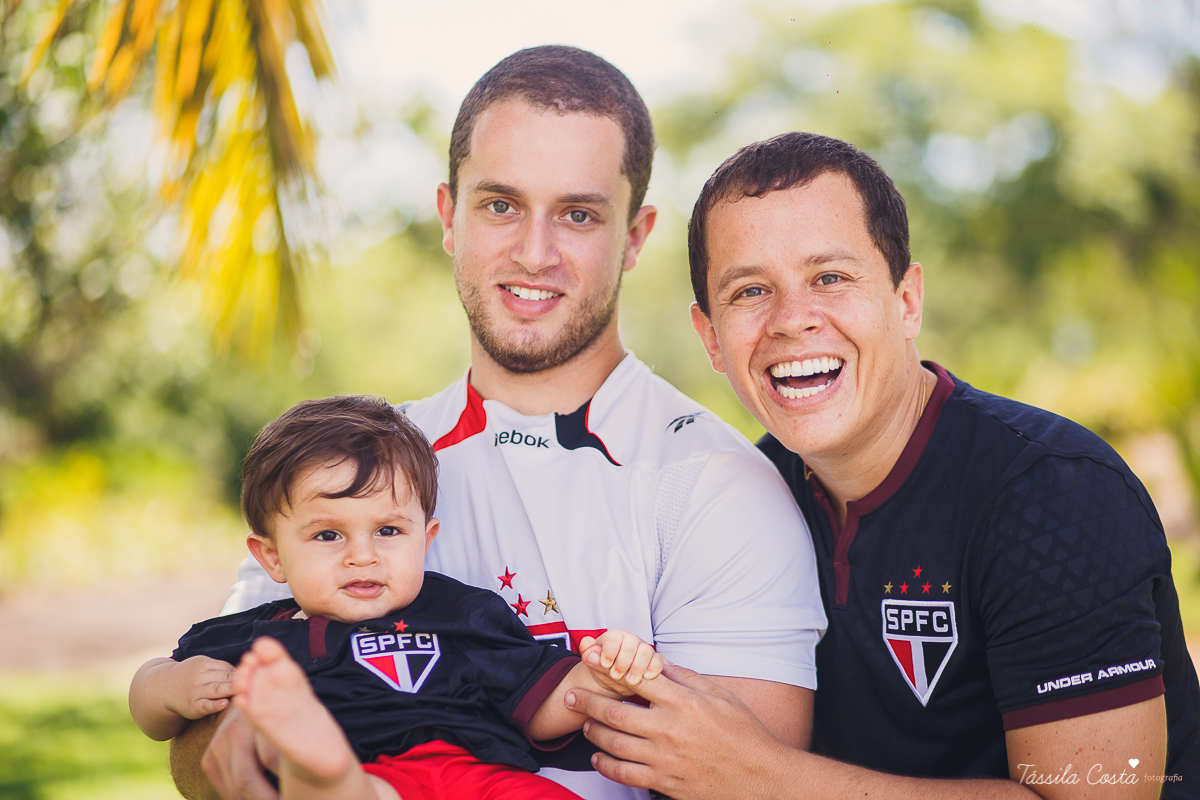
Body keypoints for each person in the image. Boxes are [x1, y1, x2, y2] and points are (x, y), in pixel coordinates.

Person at [172, 47, 827, 800]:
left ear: (636, 237)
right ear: (450, 216)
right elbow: (206, 722)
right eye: (500, 205)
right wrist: (239, 750)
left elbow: (752, 783)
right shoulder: (350, 467)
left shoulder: (718, 488)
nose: (534, 252)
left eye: (578, 214)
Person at [565, 131, 1200, 799]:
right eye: (750, 292)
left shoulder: (1052, 494)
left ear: (907, 301)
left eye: (830, 278)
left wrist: (765, 779)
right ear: (710, 339)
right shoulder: (732, 501)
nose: (792, 319)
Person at [133, 395, 666, 800]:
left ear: (425, 539)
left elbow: (536, 703)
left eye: (387, 531)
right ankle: (326, 772)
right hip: (367, 772)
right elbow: (155, 714)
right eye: (328, 535)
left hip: (479, 775)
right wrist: (168, 686)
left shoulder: (461, 615)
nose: (362, 556)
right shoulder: (258, 638)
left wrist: (597, 674)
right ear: (271, 557)